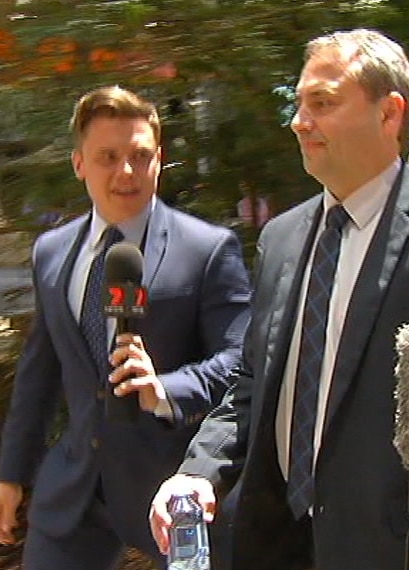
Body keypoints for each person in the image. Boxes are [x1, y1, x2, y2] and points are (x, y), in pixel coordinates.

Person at [148, 29, 409, 570]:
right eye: (299, 103)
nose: (300, 121)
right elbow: (255, 386)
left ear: (389, 113)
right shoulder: (281, 238)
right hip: (278, 541)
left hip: (395, 543)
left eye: (322, 103)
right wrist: (197, 471)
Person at [0, 86, 252, 569]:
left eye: (140, 156)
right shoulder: (52, 252)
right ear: (79, 164)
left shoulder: (208, 250)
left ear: (159, 159)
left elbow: (241, 362)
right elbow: (40, 371)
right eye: (108, 157)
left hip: (173, 488)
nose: (126, 172)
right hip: (76, 489)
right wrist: (13, 472)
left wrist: (165, 389)